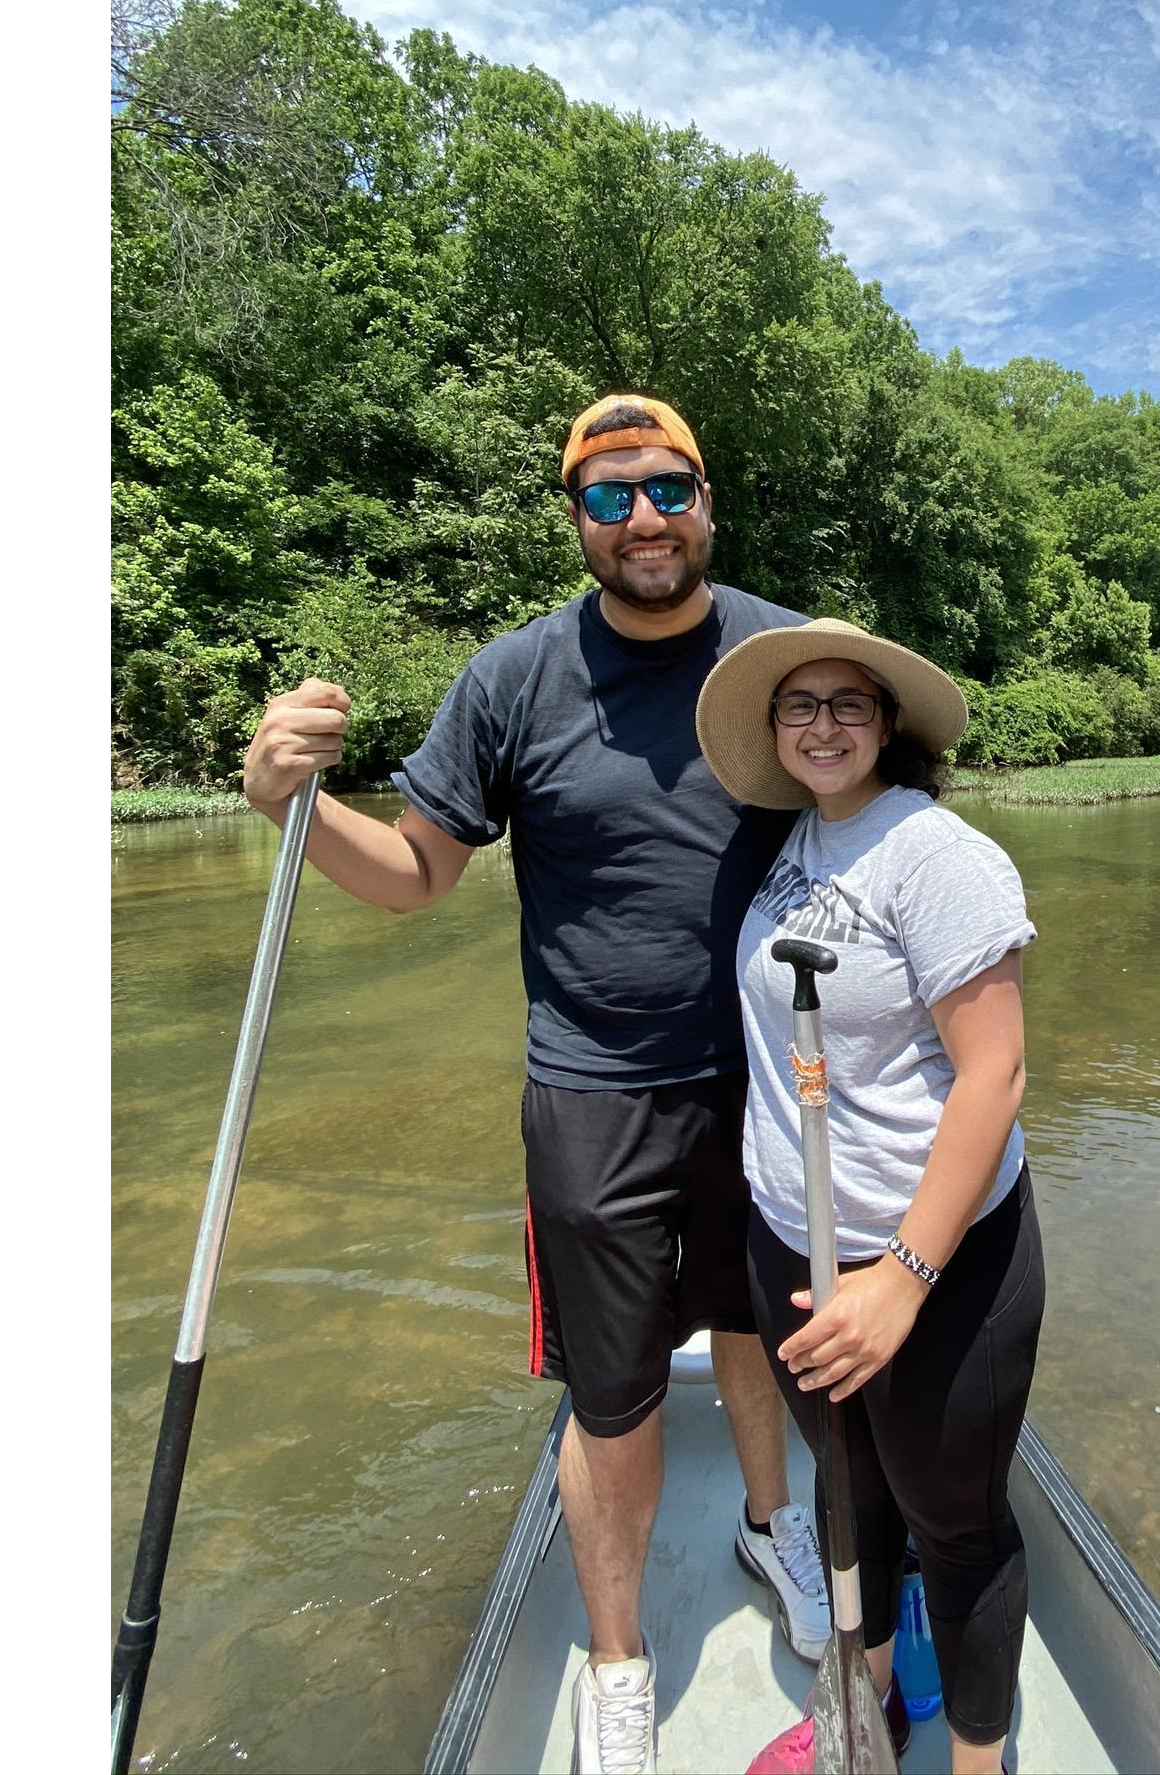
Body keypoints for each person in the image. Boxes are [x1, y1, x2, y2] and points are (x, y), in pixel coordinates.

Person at [241, 394, 829, 1775]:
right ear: (575, 518)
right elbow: (415, 876)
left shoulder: (781, 655)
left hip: (772, 1081)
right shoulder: (513, 680)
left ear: (707, 501)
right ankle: (619, 1661)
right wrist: (290, 806)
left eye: (669, 488)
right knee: (612, 1391)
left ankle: (772, 1526)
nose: (644, 519)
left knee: (756, 1330)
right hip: (593, 1095)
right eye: (610, 495)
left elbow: (878, 819)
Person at [694, 619, 1047, 1775]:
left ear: (888, 723)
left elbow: (993, 1073)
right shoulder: (790, 840)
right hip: (796, 1244)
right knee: (856, 1496)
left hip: (935, 1266)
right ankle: (871, 1704)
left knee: (955, 1527)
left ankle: (976, 1760)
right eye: (799, 704)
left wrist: (902, 1275)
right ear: (774, 729)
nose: (823, 723)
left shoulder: (933, 854)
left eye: (848, 702)